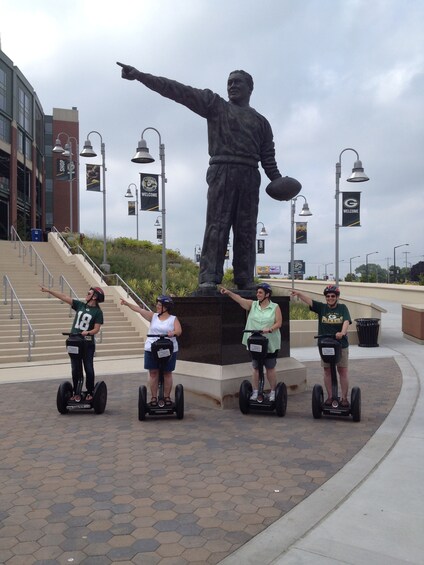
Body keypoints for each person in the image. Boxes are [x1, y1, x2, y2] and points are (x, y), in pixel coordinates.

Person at [118, 62, 282, 290]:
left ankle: (244, 278)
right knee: (217, 226)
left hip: (250, 174)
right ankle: (209, 277)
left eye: (237, 82)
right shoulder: (216, 105)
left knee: (247, 229)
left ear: (250, 88)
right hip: (222, 170)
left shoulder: (261, 122)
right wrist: (141, 76)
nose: (232, 86)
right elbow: (178, 91)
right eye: (229, 82)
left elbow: (268, 157)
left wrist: (277, 180)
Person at [40, 286, 104, 401]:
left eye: (89, 293)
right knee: (75, 368)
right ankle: (77, 392)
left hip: (87, 344)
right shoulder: (80, 305)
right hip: (74, 342)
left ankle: (90, 391)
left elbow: (96, 329)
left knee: (88, 368)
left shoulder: (98, 312)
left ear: (94, 297)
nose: (86, 295)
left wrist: (88, 332)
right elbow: (65, 297)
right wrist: (49, 290)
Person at [291, 285, 352, 407]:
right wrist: (299, 294)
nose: (330, 298)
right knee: (327, 370)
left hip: (341, 345)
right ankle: (330, 397)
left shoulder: (342, 308)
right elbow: (310, 301)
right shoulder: (322, 308)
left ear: (337, 297)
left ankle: (344, 398)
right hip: (325, 345)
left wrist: (342, 333)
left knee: (342, 371)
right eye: (328, 296)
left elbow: (346, 321)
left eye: (333, 296)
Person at [220, 283, 282, 400]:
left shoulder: (275, 307)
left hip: (270, 342)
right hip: (255, 342)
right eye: (257, 292)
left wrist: (270, 329)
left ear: (267, 294)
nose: (257, 294)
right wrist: (229, 293)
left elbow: (279, 323)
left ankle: (273, 392)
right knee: (256, 367)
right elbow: (240, 300)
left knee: (270, 367)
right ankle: (255, 391)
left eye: (260, 293)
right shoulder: (253, 305)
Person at [120, 295, 182, 406]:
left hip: (169, 348)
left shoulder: (173, 319)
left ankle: (167, 397)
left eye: (159, 305)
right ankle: (154, 398)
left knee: (167, 373)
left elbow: (179, 330)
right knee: (153, 373)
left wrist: (173, 333)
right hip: (152, 348)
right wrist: (127, 304)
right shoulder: (153, 316)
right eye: (157, 304)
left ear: (166, 307)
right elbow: (139, 310)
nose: (157, 306)